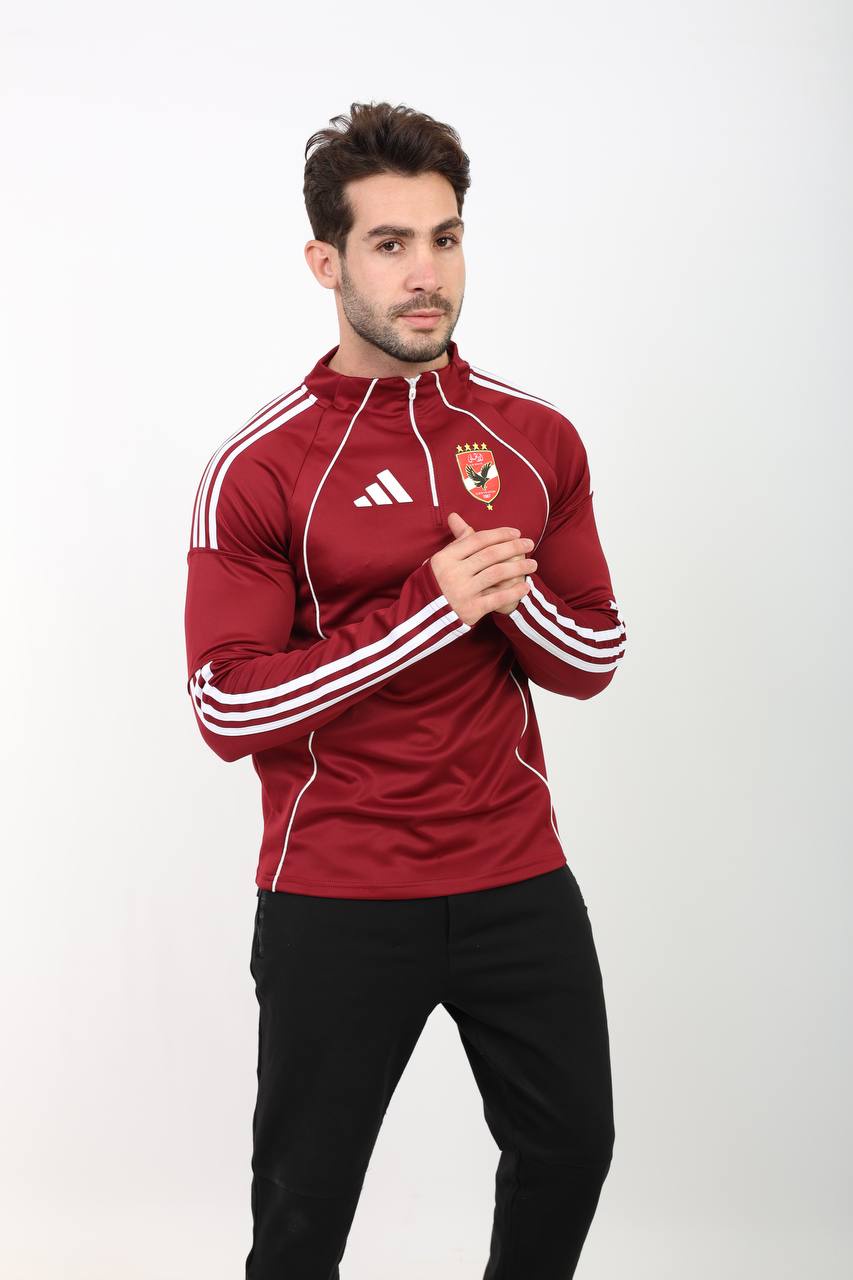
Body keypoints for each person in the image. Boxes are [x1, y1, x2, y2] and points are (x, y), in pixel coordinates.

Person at [183, 100, 628, 1280]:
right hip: (337, 889)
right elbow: (225, 705)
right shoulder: (261, 466)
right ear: (326, 262)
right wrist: (430, 609)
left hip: (515, 873)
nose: (425, 273)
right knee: (304, 1214)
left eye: (445, 237)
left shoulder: (535, 437)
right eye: (389, 243)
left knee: (571, 1148)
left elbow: (592, 656)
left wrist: (506, 597)